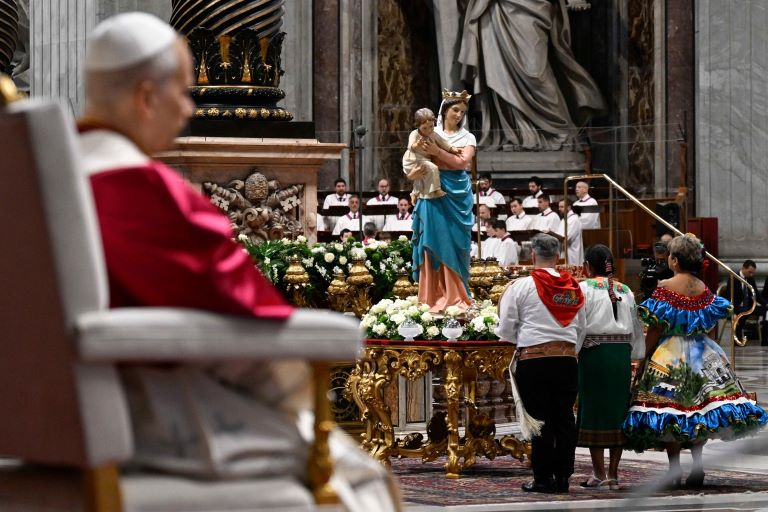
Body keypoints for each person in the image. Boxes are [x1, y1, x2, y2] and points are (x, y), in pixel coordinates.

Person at [78, 13, 398, 509]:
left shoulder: (46, 178)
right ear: (146, 97)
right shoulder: (141, 190)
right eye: (182, 92)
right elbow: (248, 309)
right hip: (162, 420)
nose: (188, 108)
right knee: (363, 480)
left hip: (63, 417)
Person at [623, 234, 768, 489]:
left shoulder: (665, 287)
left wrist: (644, 355)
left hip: (670, 354)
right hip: (703, 351)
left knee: (671, 411)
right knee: (699, 410)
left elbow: (656, 327)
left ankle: (674, 468)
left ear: (675, 260)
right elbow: (710, 325)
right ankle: (698, 465)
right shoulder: (703, 287)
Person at [497, 233, 585, 493]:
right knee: (565, 418)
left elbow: (506, 328)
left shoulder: (521, 286)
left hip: (534, 360)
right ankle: (564, 476)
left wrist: (522, 340)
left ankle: (543, 478)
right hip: (567, 360)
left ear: (532, 255)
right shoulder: (573, 288)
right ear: (558, 256)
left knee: (539, 420)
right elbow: (581, 327)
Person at [457, 0, 606, 149]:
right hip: (497, 8)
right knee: (501, 76)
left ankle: (560, 128)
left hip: (534, 7)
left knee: (535, 74)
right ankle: (513, 135)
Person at [576, 244, 644, 491]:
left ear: (588, 266)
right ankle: (613, 475)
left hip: (594, 353)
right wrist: (635, 354)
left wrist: (574, 350)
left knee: (594, 411)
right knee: (618, 411)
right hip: (620, 355)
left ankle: (599, 473)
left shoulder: (583, 288)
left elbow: (578, 324)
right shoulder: (625, 290)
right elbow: (636, 327)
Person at [408, 89, 476, 311]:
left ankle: (457, 295)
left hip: (457, 192)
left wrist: (438, 151)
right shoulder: (429, 131)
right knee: (432, 240)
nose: (459, 115)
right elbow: (417, 158)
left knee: (458, 243)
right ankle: (432, 296)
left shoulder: (468, 137)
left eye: (462, 112)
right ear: (445, 110)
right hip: (430, 190)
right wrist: (414, 182)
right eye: (455, 110)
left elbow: (462, 162)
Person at [403, 107, 463, 205]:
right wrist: (417, 145)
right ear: (418, 126)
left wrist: (453, 149)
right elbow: (411, 147)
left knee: (422, 176)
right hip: (413, 159)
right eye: (425, 128)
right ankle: (436, 190)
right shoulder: (414, 134)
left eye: (431, 126)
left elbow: (443, 142)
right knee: (433, 168)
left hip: (424, 159)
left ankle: (414, 193)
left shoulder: (433, 134)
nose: (428, 130)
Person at [721, 260, 768, 344]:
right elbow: (729, 296)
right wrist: (732, 312)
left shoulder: (750, 279)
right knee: (741, 315)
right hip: (737, 307)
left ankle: (765, 339)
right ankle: (737, 340)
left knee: (765, 310)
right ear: (743, 268)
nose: (751, 274)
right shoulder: (733, 278)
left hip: (749, 307)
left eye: (752, 273)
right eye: (750, 272)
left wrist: (766, 304)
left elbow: (756, 295)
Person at [555, 200, 583, 265]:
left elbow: (566, 239)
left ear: (569, 207)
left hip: (571, 254)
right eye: (559, 207)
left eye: (562, 207)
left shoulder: (574, 220)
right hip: (563, 252)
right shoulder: (563, 220)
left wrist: (552, 234)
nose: (559, 209)